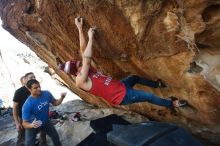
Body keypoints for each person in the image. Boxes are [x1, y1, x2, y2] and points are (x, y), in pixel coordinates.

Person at [57, 16, 187, 109]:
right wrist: (90, 37)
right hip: (122, 96)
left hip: (121, 86)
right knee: (149, 97)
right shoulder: (80, 80)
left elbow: (83, 50)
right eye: (78, 64)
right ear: (76, 71)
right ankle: (172, 104)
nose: (80, 62)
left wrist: (79, 28)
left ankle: (157, 84)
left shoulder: (82, 70)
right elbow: (86, 59)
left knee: (135, 78)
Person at [22, 79, 66, 146]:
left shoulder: (46, 93)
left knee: (55, 137)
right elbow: (24, 123)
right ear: (29, 89)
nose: (39, 89)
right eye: (35, 88)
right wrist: (31, 125)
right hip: (33, 125)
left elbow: (55, 103)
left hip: (45, 122)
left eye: (39, 86)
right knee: (29, 144)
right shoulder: (27, 104)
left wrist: (62, 97)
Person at [13, 73, 46, 146]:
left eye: (34, 77)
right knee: (22, 137)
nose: (33, 78)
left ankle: (43, 143)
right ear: (25, 80)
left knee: (43, 132)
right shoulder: (19, 92)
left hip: (37, 116)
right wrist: (17, 123)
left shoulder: (36, 89)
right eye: (31, 77)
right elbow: (14, 108)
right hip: (24, 118)